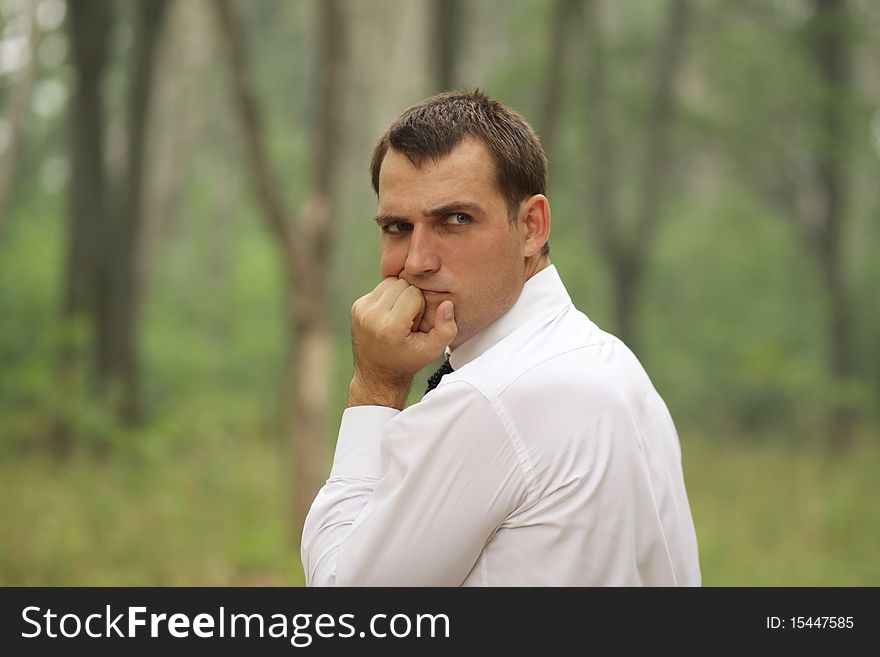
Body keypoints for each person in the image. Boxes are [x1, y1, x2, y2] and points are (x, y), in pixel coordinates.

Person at [300, 90, 701, 586]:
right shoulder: (613, 364)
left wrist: (375, 387)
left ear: (532, 227)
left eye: (455, 220)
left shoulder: (490, 397)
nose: (416, 260)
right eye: (397, 227)